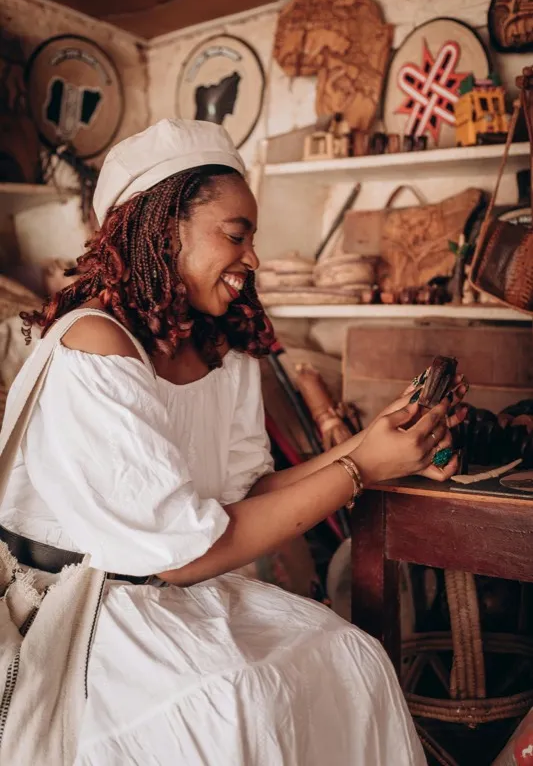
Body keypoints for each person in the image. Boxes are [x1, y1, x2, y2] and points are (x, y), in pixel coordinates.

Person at [2, 120, 467, 765]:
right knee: (233, 699)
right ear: (162, 229)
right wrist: (362, 466)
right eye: (236, 234)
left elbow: (246, 496)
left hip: (178, 594)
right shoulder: (96, 345)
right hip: (87, 610)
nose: (251, 258)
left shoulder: (224, 352)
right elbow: (181, 555)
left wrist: (380, 440)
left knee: (350, 657)